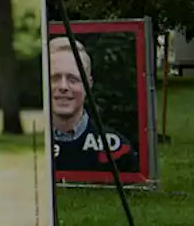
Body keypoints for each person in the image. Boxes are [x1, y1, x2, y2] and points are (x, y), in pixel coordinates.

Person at [48, 36, 137, 173]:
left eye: (73, 79)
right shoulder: (23, 150)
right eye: (54, 78)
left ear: (88, 85)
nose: (63, 86)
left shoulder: (117, 150)